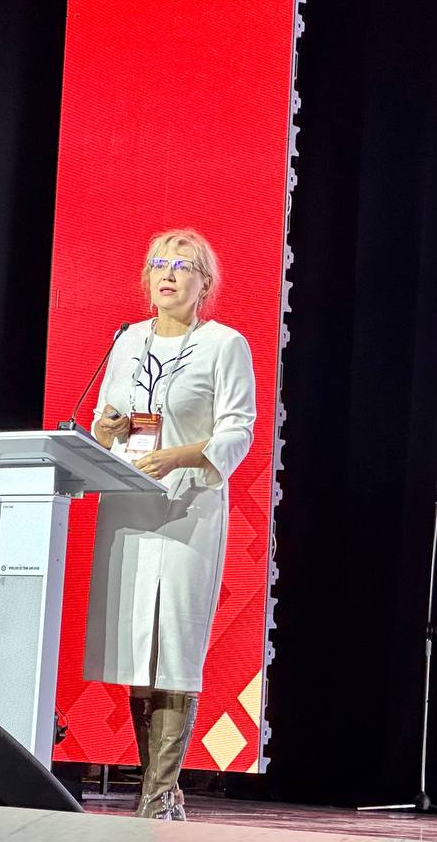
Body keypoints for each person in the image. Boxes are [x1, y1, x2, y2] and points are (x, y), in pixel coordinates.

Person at [85, 228, 256, 820]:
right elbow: (104, 424)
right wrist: (107, 428)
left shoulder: (224, 344)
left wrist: (178, 455)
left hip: (188, 509)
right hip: (129, 506)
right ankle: (156, 788)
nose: (168, 273)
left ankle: (159, 793)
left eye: (183, 266)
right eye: (159, 263)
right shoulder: (127, 340)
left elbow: (239, 429)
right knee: (138, 645)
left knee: (174, 644)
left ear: (204, 284)